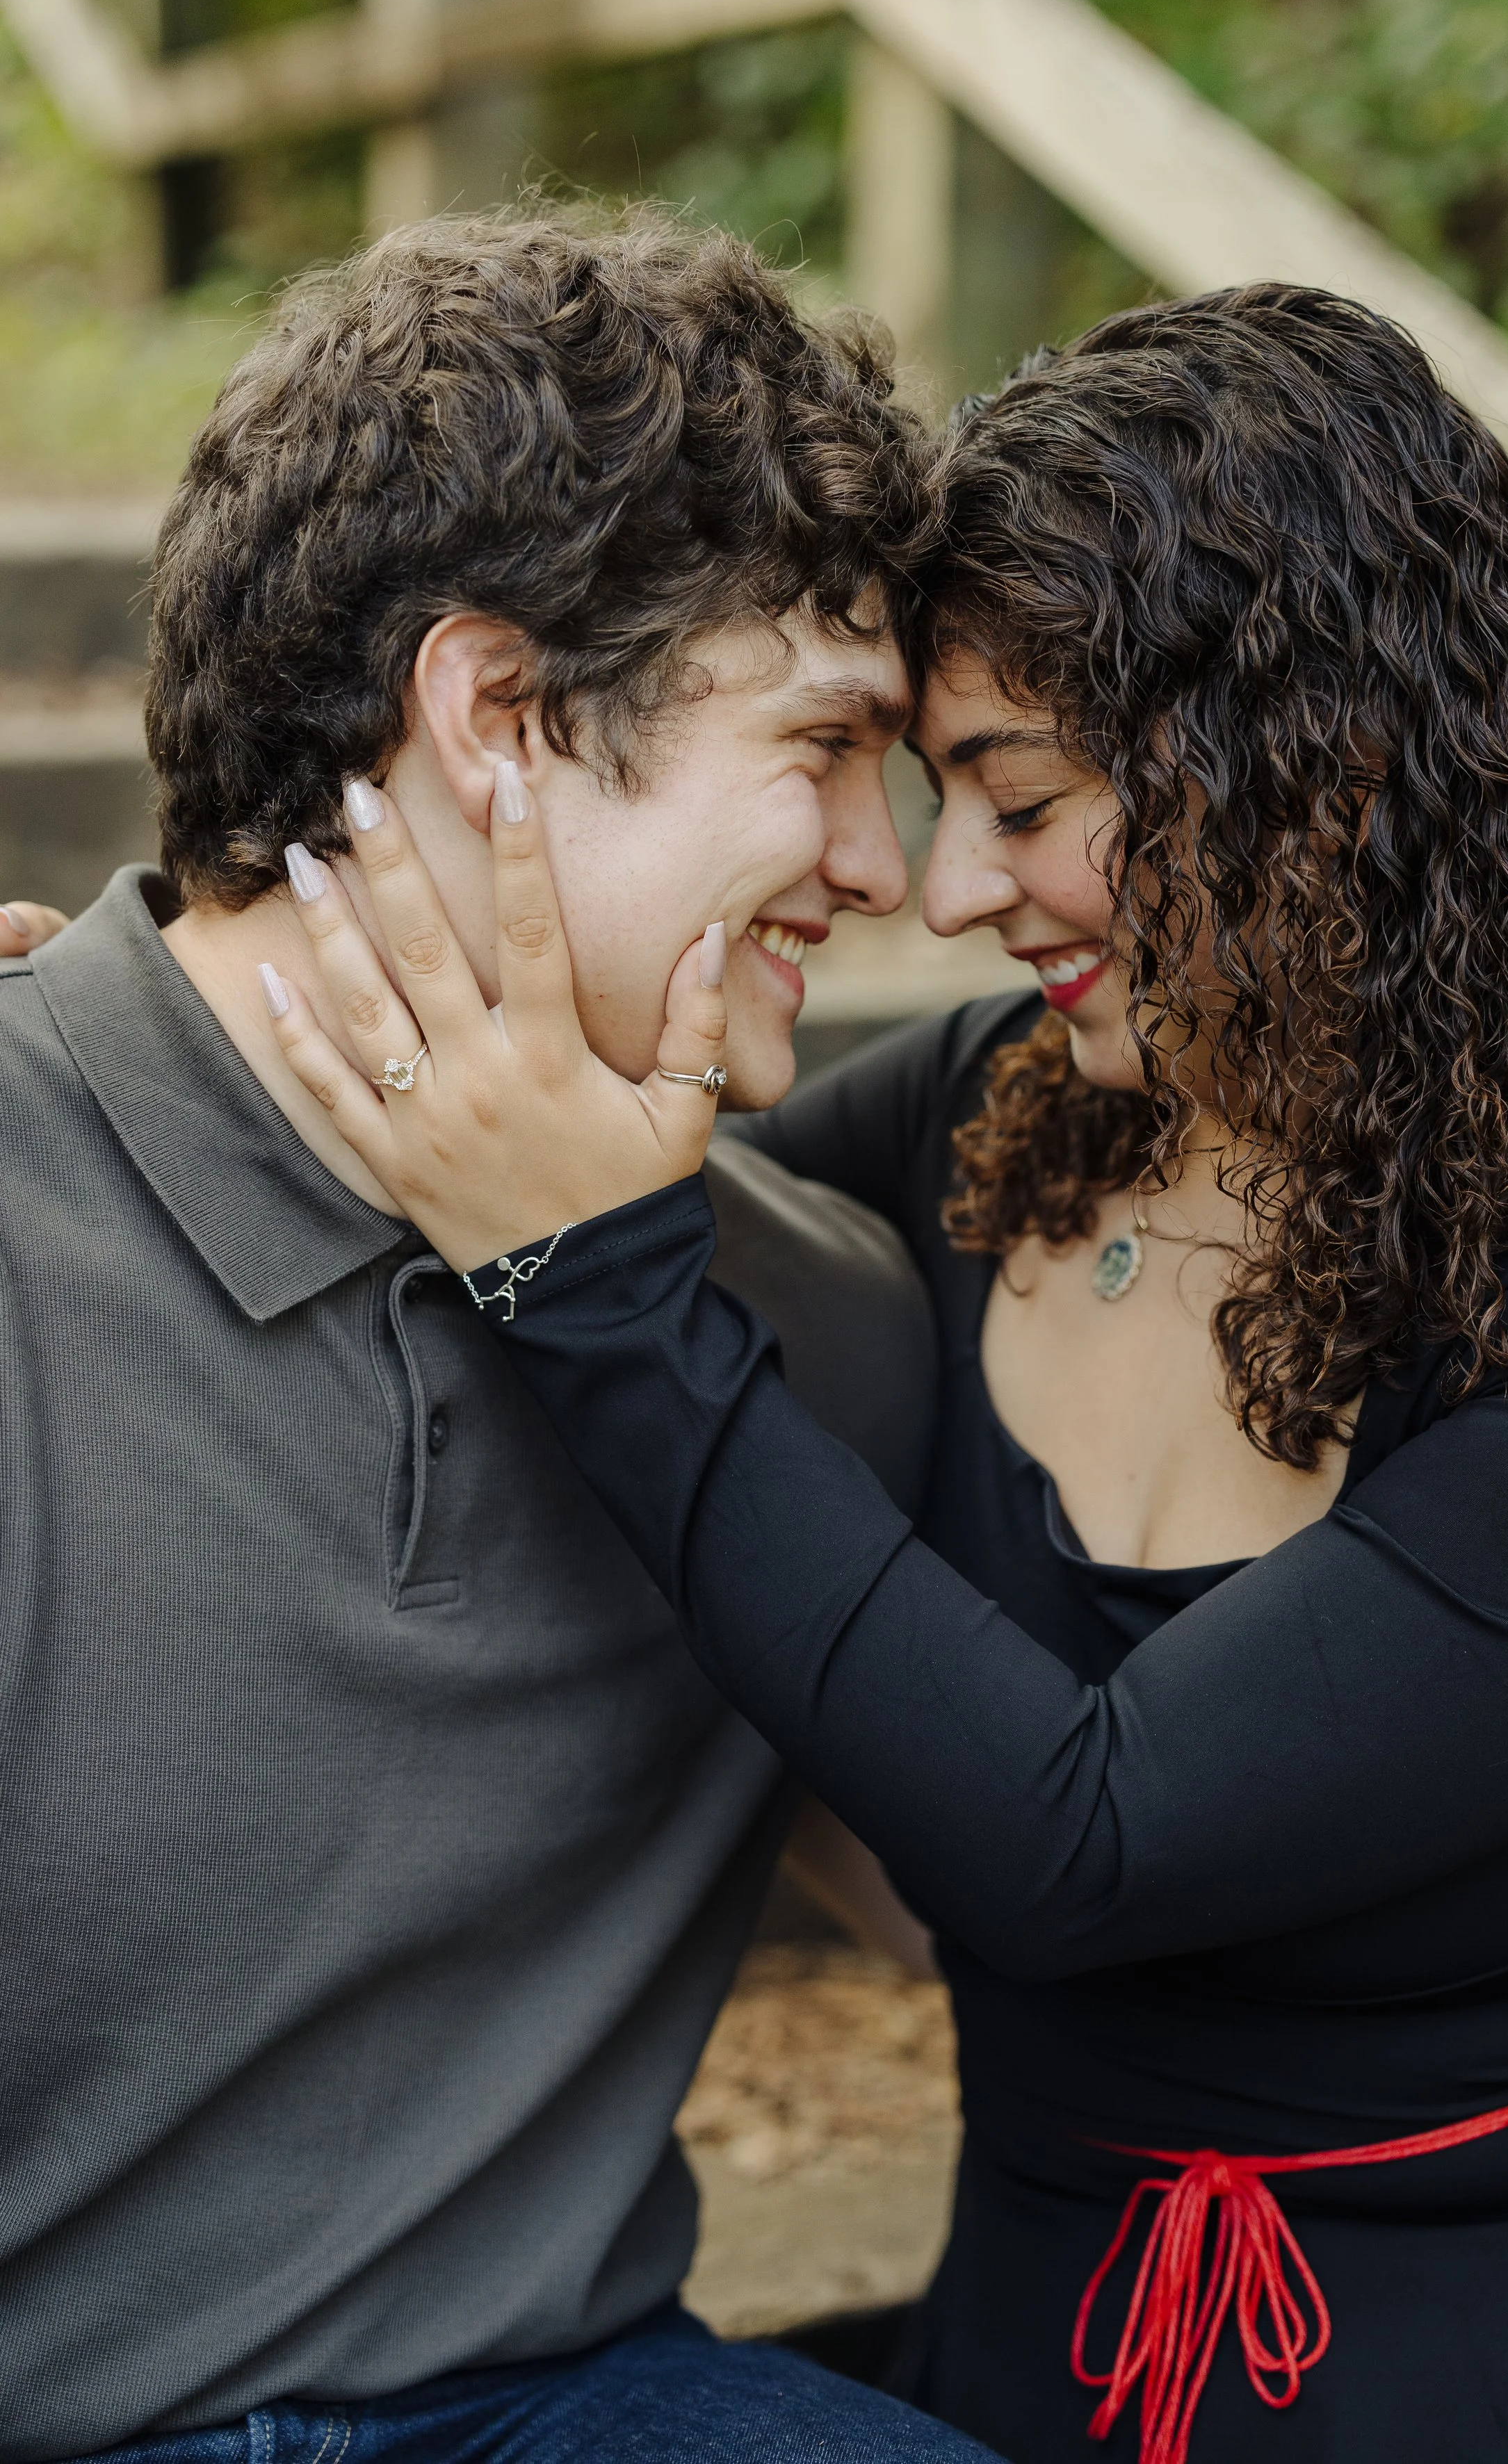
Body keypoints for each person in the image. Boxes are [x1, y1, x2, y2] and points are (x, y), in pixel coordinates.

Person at [270, 284, 1508, 2464]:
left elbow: (1084, 1831)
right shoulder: (996, 1116)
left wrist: (599, 1276)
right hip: (1013, 2360)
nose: (944, 890)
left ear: (1314, 772)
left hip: (1507, 2382)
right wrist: (181, 1020)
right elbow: (519, 1147)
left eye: (1017, 798)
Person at [0, 209, 1000, 2464]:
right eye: (827, 747)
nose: (894, 863)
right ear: (502, 718)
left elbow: (1046, 1897)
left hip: (553, 2403)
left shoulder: (810, 1323)